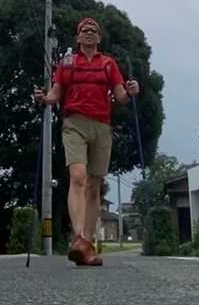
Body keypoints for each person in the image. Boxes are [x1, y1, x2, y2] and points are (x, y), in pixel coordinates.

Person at [34, 16, 139, 266]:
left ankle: (88, 246)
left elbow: (121, 96)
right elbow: (55, 95)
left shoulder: (108, 64)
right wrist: (43, 99)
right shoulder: (66, 63)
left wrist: (131, 90)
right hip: (74, 124)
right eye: (84, 30)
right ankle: (78, 237)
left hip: (102, 125)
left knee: (94, 185)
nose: (89, 33)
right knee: (78, 177)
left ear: (99, 37)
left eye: (93, 30)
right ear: (78, 37)